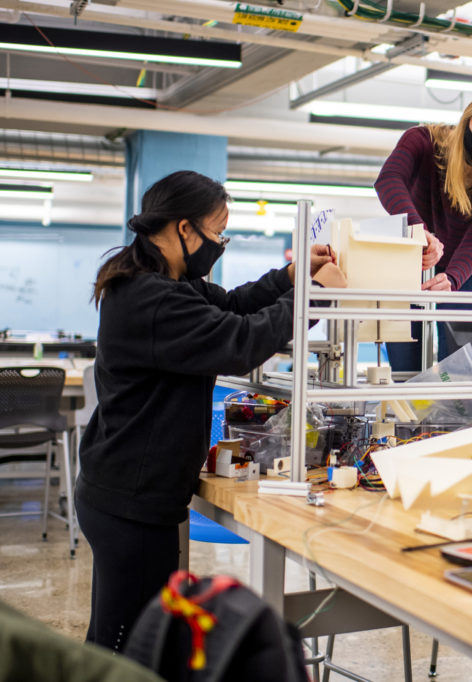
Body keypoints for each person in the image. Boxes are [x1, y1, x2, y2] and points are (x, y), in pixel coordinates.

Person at [75, 170, 346, 652]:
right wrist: (316, 296)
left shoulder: (162, 281)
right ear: (184, 228)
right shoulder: (152, 297)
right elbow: (240, 342)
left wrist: (290, 276)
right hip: (131, 501)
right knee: (130, 646)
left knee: (130, 636)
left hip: (125, 491)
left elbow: (236, 306)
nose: (220, 243)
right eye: (218, 232)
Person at [374, 81, 472, 371]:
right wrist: (418, 231)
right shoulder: (422, 140)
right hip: (410, 259)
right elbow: (388, 180)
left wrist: (452, 278)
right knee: (405, 366)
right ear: (466, 120)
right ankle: (410, 415)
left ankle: (452, 413)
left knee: (456, 368)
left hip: (465, 269)